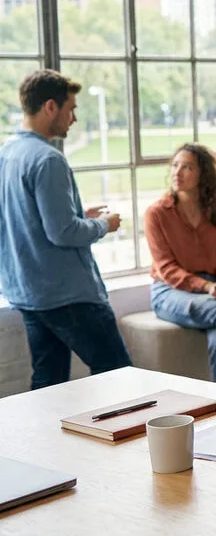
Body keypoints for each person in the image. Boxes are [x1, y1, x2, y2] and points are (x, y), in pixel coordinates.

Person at [0, 69, 132, 389]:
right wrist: (104, 225)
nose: (73, 118)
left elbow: (21, 217)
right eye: (70, 108)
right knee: (121, 375)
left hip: (28, 293)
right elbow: (62, 233)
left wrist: (76, 213)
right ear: (50, 107)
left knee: (49, 383)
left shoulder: (7, 153)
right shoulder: (48, 159)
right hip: (67, 295)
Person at [144, 144, 216, 383]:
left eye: (187, 167)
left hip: (212, 289)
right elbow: (167, 270)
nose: (177, 172)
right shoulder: (157, 214)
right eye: (175, 165)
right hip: (169, 292)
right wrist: (209, 288)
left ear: (203, 174)